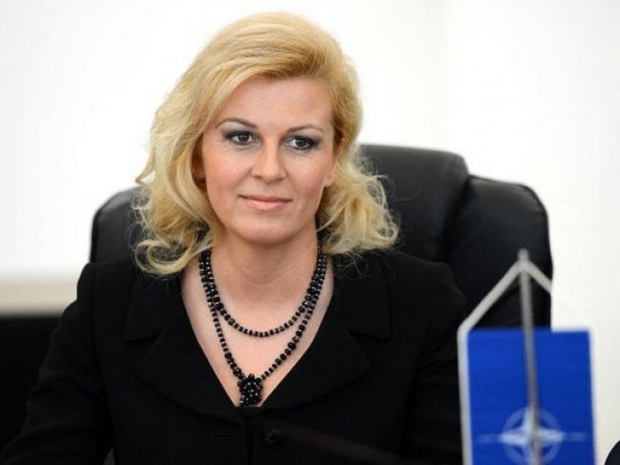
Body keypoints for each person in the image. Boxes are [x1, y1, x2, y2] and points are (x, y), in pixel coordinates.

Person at [0, 12, 465, 465]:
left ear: (333, 159)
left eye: (301, 142)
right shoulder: (107, 304)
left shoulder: (422, 306)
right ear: (197, 154)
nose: (269, 170)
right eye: (241, 137)